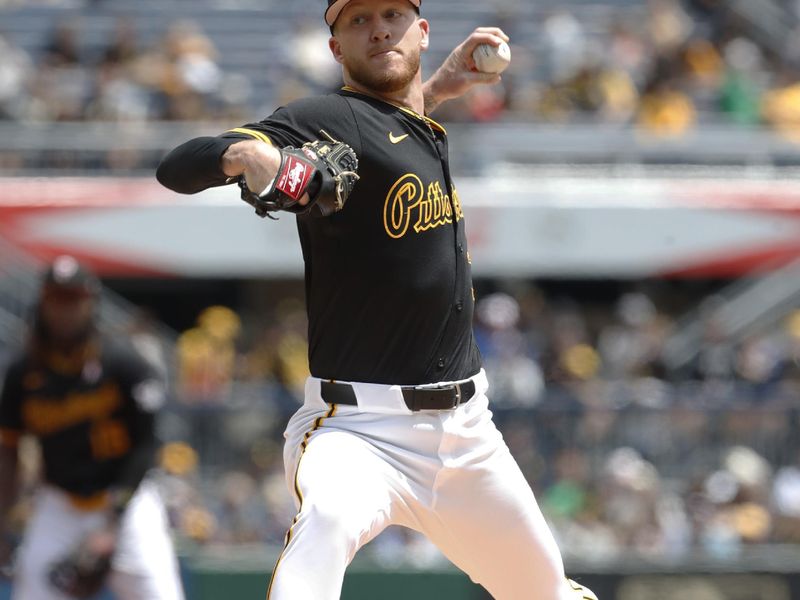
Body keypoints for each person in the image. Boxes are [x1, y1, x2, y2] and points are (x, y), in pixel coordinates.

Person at [157, 1, 598, 598]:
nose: (378, 28)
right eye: (357, 21)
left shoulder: (416, 121)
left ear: (421, 30)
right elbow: (175, 168)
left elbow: (388, 132)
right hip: (359, 430)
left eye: (392, 13)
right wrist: (245, 155)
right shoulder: (322, 116)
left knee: (546, 592)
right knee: (326, 525)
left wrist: (439, 87)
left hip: (467, 433)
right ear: (335, 49)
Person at [0, 256, 184, 600]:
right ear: (43, 303)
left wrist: (113, 522)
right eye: (57, 298)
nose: (64, 309)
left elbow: (146, 446)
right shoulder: (24, 372)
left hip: (128, 504)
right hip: (59, 504)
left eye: (73, 299)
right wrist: (2, 523)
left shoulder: (123, 361)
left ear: (90, 303)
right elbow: (8, 448)